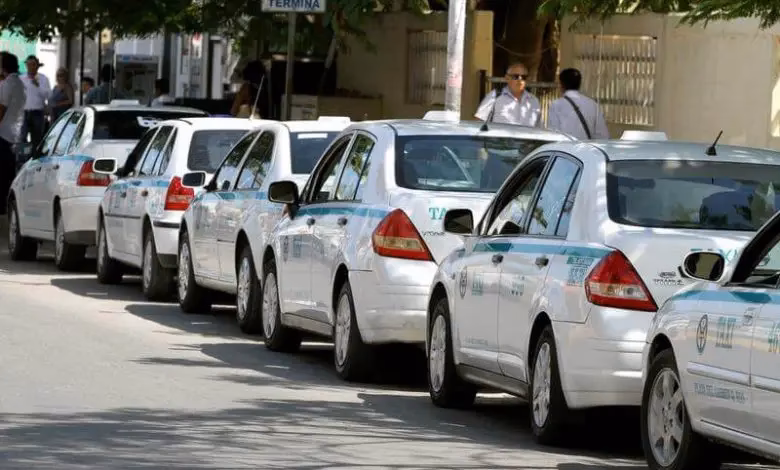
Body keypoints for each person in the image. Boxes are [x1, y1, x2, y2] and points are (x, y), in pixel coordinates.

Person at [547, 68, 609, 140]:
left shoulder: (556, 105)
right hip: (588, 149)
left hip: (565, 149)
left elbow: (553, 134)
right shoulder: (593, 104)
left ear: (561, 84)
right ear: (579, 84)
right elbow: (603, 135)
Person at [475, 63, 541, 127]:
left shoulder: (534, 101)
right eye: (516, 77)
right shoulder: (495, 96)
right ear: (507, 78)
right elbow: (478, 123)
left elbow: (539, 129)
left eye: (523, 77)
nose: (520, 80)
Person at [0, 52, 26, 216]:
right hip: (13, 133)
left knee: (2, 172)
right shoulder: (19, 83)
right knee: (7, 171)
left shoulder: (7, 84)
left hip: (3, 133)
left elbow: (1, 109)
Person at [19, 55, 50, 149]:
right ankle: (22, 159)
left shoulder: (43, 78)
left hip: (37, 112)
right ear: (26, 66)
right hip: (23, 112)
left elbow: (48, 95)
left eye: (33, 64)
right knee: (21, 137)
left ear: (37, 66)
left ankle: (34, 159)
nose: (31, 67)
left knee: (37, 138)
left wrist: (38, 86)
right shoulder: (21, 78)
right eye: (29, 64)